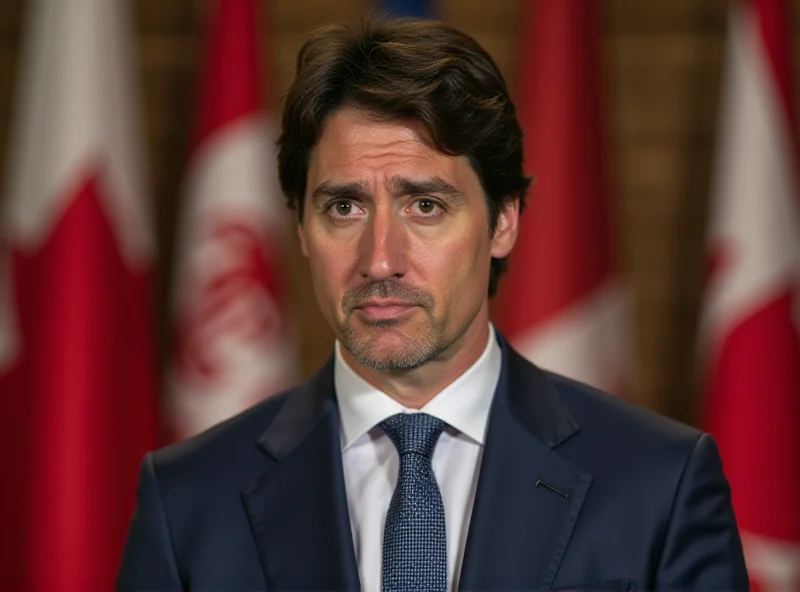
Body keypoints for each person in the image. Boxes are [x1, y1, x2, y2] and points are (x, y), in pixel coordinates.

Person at [117, 16, 748, 592]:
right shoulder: (188, 501)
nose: (380, 258)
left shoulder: (659, 485)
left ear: (503, 221)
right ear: (302, 230)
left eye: (426, 205)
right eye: (344, 207)